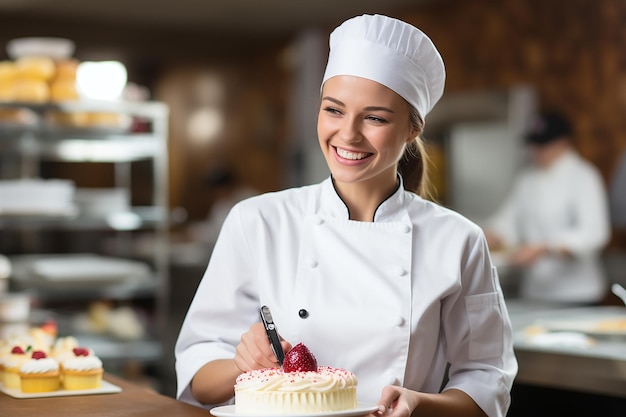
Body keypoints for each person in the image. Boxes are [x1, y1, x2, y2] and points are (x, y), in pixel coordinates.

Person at [175, 14, 517, 417]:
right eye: (334, 110)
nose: (348, 134)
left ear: (412, 130)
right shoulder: (258, 221)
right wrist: (242, 364)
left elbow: (485, 378)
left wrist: (418, 403)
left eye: (374, 118)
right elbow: (198, 369)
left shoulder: (458, 240)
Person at [483, 111, 611, 304]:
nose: (537, 150)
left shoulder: (584, 176)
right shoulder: (527, 179)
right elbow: (508, 220)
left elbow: (594, 233)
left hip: (577, 292)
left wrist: (546, 248)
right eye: (534, 144)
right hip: (535, 292)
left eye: (544, 145)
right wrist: (492, 234)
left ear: (565, 143)